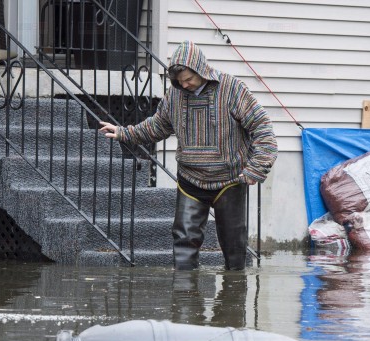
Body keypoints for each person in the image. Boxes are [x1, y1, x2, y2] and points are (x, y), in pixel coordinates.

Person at [99, 40, 277, 271]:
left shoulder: (232, 89)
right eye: (179, 81)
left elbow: (263, 129)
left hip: (230, 179)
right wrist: (124, 132)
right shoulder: (174, 95)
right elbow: (157, 126)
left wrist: (256, 168)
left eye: (189, 79)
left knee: (234, 249)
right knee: (183, 242)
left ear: (201, 70)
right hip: (190, 180)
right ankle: (184, 291)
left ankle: (233, 292)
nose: (185, 85)